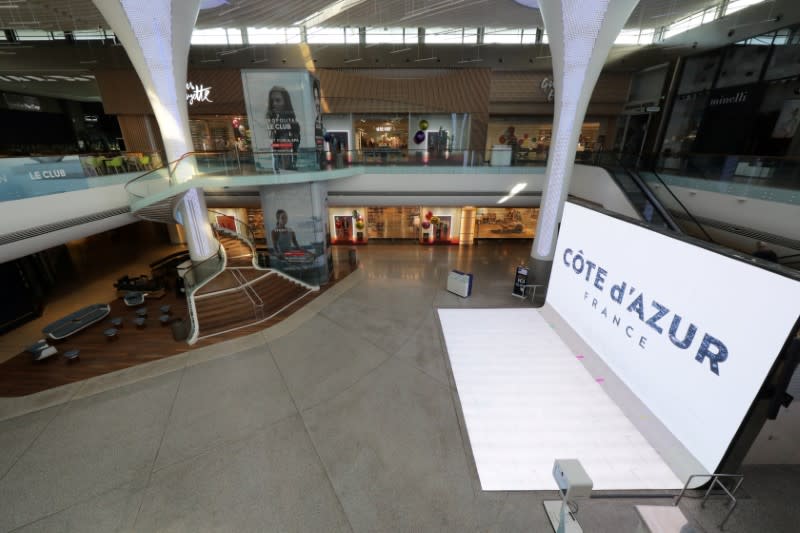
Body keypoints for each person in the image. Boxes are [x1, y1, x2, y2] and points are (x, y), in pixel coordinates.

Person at [267, 86, 300, 170]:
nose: (274, 104)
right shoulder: (279, 121)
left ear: (286, 102)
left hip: (285, 168)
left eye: (278, 100)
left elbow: (286, 149)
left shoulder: (285, 123)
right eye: (272, 101)